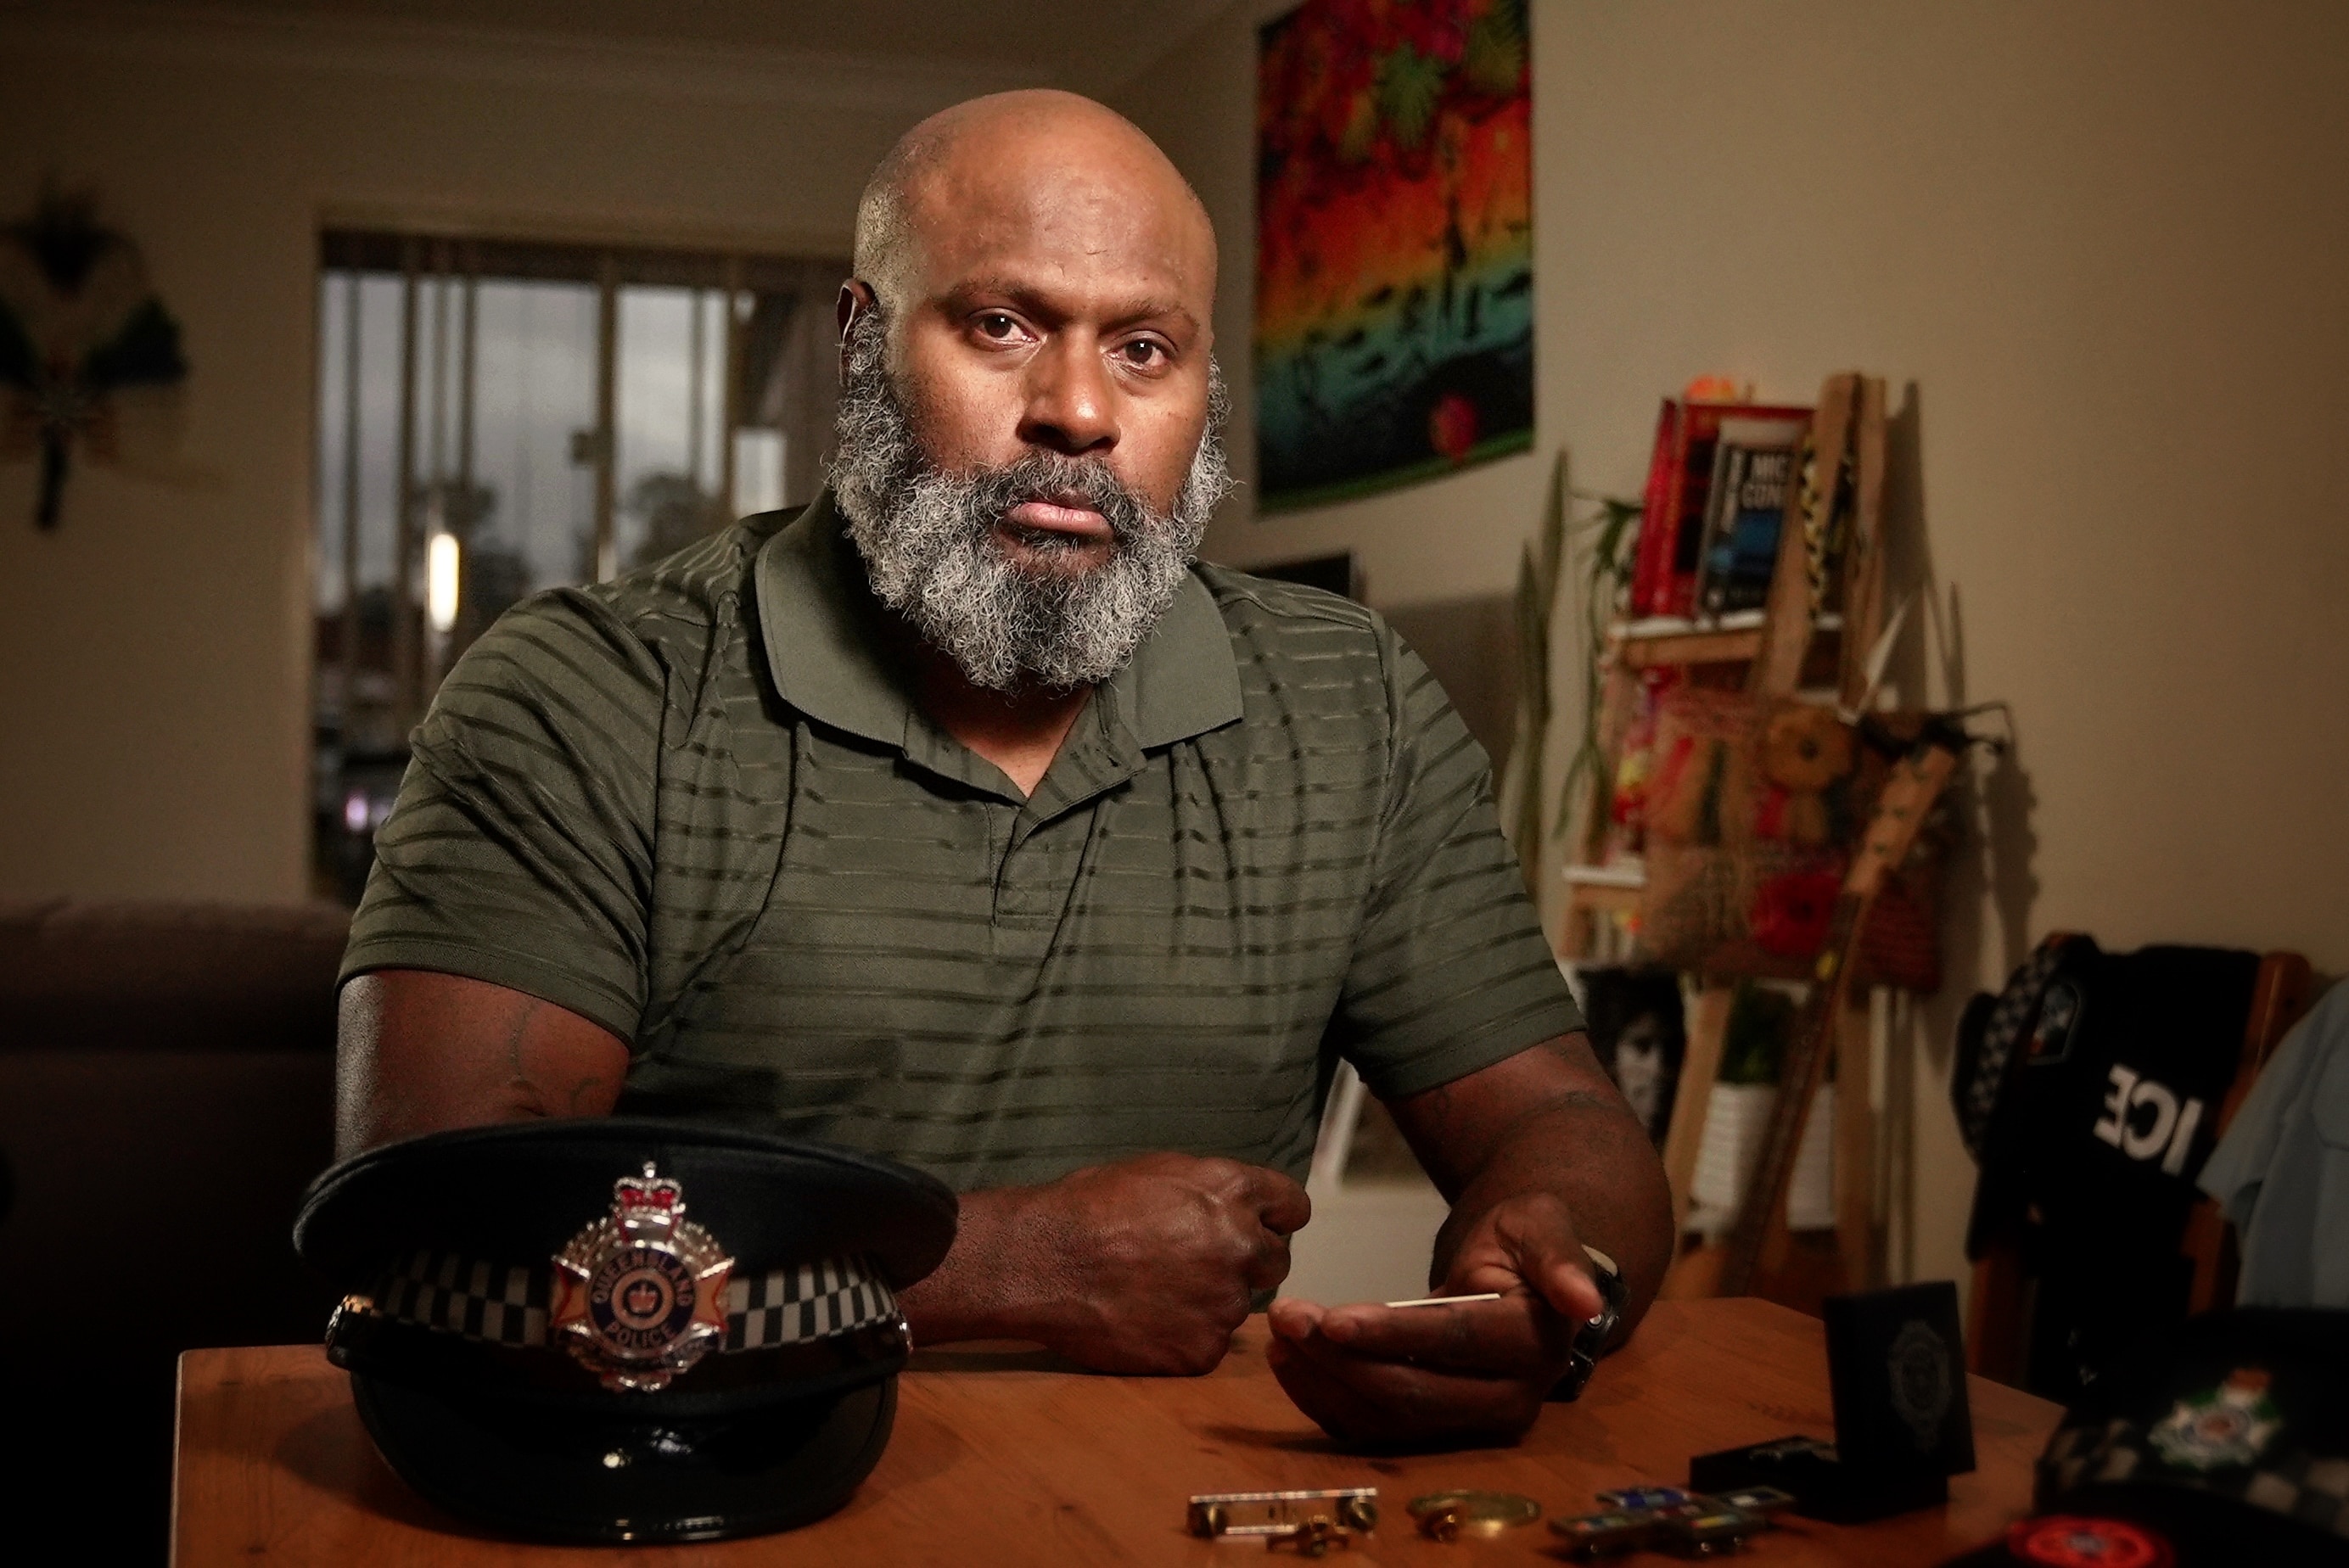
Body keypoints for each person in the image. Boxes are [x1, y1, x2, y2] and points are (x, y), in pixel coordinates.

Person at [337, 89, 1672, 1448]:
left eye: (1145, 349)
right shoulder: (591, 695)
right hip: (717, 1506)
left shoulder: (1352, 705)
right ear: (861, 345)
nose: (1079, 411)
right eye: (1003, 326)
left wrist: (1557, 1271)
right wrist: (1014, 1268)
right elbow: (428, 1242)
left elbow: (1565, 1121)